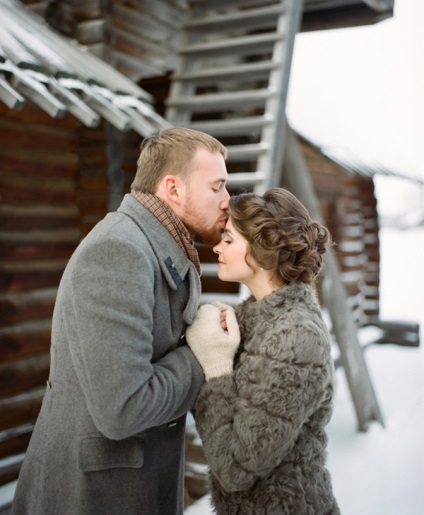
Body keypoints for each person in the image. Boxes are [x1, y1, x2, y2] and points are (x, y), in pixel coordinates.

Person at [11, 127, 230, 515]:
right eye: (217, 188)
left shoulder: (158, 246)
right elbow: (123, 408)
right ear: (173, 189)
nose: (228, 201)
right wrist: (202, 354)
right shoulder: (118, 251)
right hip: (92, 497)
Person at [186, 188, 340, 514]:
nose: (217, 247)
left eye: (228, 240)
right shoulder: (256, 319)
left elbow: (235, 469)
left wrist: (215, 364)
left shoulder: (295, 339)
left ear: (262, 247)